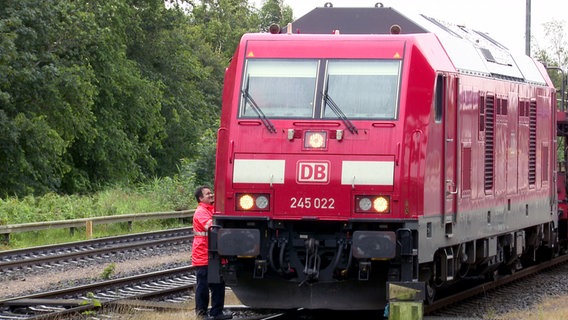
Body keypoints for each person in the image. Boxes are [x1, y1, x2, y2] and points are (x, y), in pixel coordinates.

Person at [192, 185, 232, 320]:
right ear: (200, 198)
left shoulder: (211, 209)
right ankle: (201, 314)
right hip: (203, 253)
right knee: (203, 285)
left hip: (213, 253)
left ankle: (217, 312)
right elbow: (211, 226)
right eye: (208, 194)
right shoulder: (201, 211)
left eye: (211, 193)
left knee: (218, 283)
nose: (211, 195)